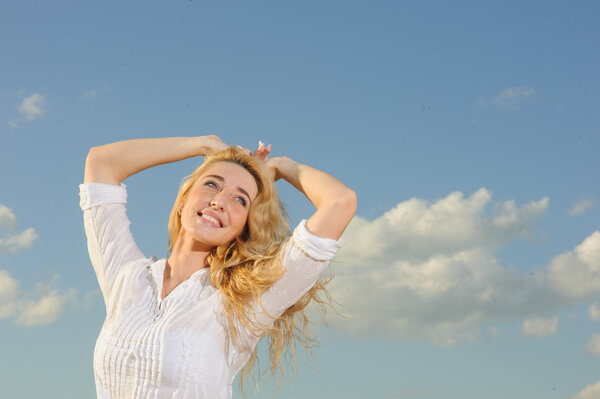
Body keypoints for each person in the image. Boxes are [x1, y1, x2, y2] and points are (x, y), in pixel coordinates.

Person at [80, 135, 357, 399]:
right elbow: (101, 163)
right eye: (212, 184)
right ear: (183, 200)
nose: (219, 201)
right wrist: (204, 145)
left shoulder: (247, 300)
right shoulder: (127, 276)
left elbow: (340, 202)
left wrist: (281, 166)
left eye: (240, 199)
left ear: (243, 228)